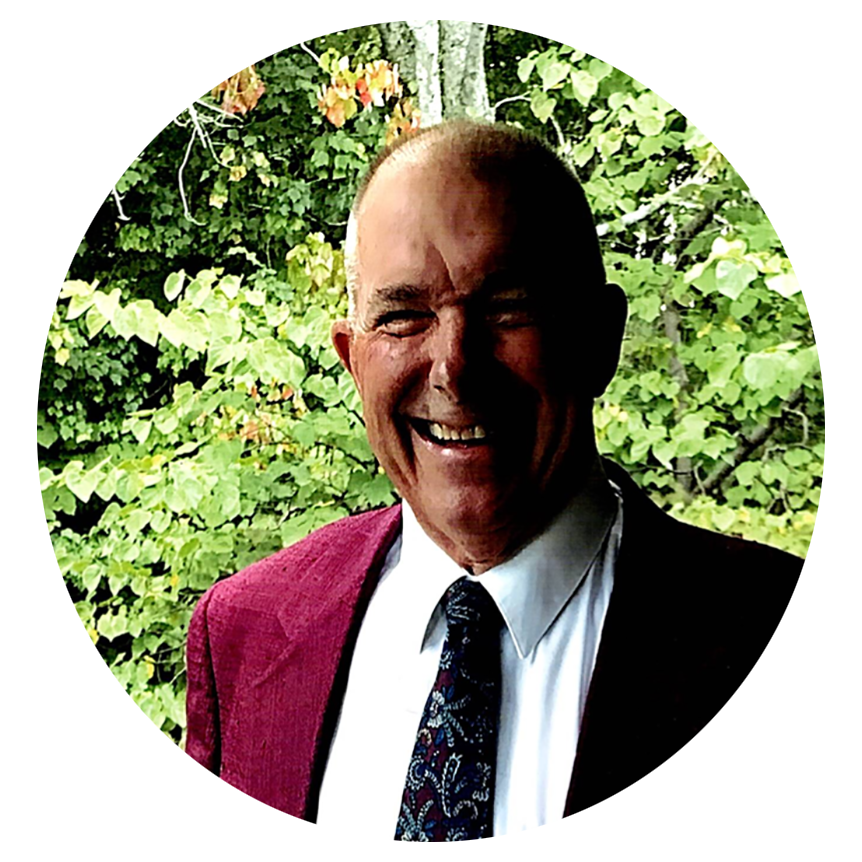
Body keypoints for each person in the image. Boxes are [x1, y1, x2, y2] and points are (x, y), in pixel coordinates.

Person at [185, 120, 805, 838]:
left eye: (509, 306)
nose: (455, 367)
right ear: (352, 358)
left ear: (599, 339)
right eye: (403, 316)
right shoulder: (245, 635)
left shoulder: (794, 645)